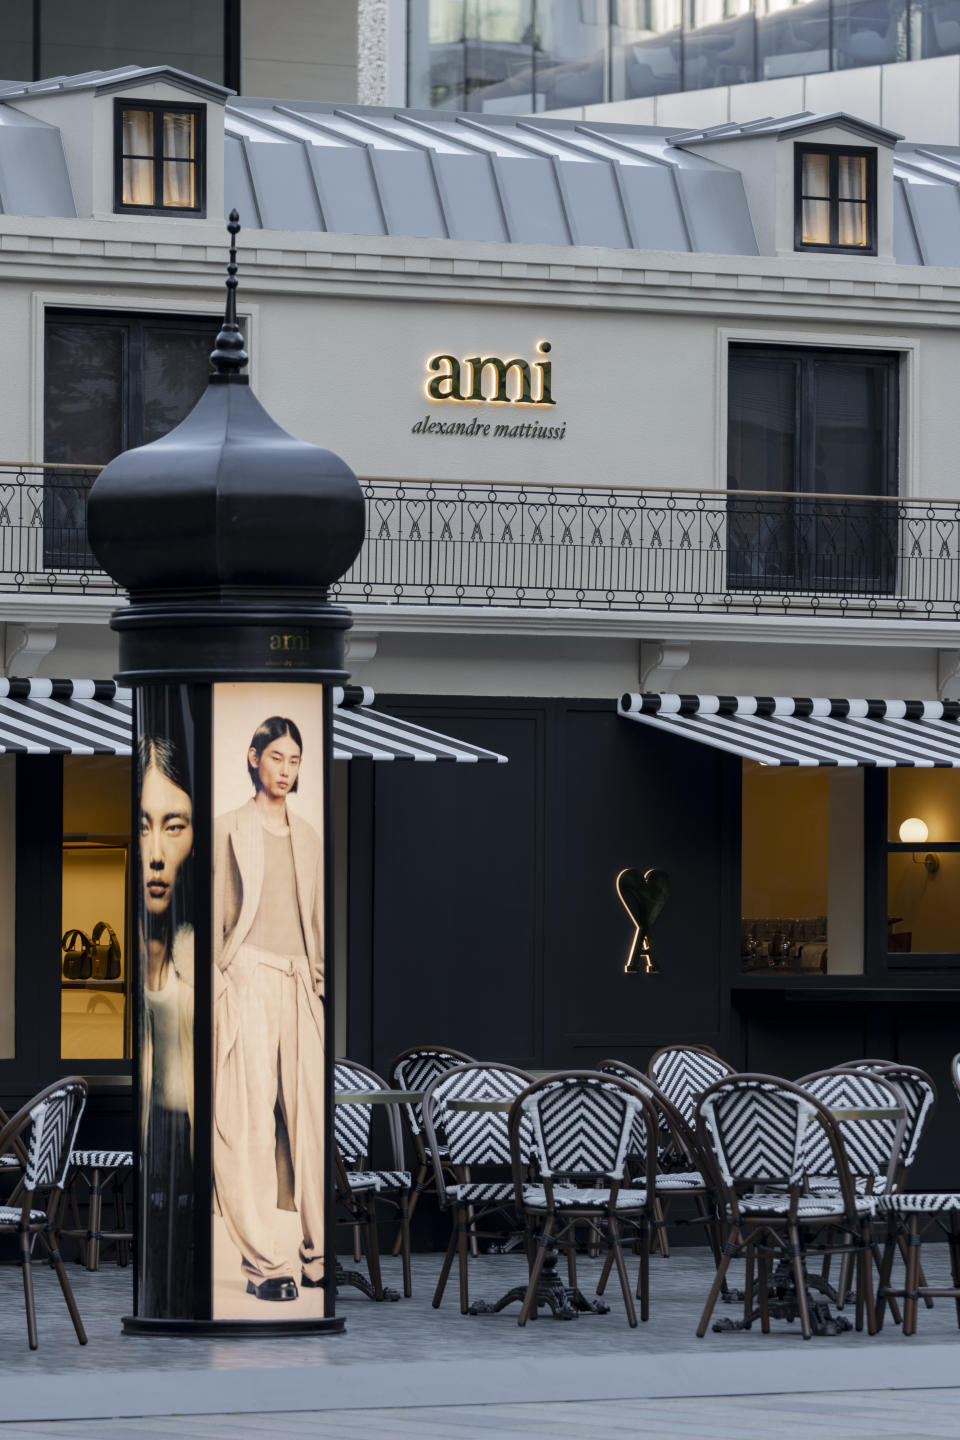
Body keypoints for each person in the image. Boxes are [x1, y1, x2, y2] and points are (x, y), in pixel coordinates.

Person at [213, 715, 325, 1302]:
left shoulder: (308, 837)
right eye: (276, 756)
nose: (286, 768)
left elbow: (316, 925)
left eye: (295, 759)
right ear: (254, 757)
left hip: (299, 984)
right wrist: (223, 985)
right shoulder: (226, 828)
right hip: (248, 976)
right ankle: (264, 1262)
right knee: (251, 1125)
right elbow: (208, 923)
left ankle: (317, 1254)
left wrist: (316, 986)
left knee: (309, 1123)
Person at [138, 734, 195, 1318]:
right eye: (144, 824)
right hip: (155, 1122)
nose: (155, 851)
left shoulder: (200, 948)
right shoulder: (144, 945)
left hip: (201, 1126)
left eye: (174, 825)